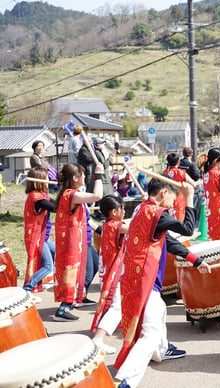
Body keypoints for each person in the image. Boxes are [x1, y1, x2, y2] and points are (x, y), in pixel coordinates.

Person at [113, 179, 211, 388]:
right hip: (144, 282)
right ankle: (126, 379)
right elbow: (186, 229)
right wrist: (190, 196)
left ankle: (163, 350)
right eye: (173, 199)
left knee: (159, 313)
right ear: (164, 193)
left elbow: (169, 242)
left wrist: (196, 260)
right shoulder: (157, 214)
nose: (174, 203)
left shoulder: (142, 210)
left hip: (136, 278)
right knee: (151, 333)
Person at [53, 162, 103, 321]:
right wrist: (99, 175)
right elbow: (97, 196)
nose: (85, 177)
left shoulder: (70, 194)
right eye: (82, 175)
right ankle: (63, 309)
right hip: (73, 242)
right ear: (75, 178)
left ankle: (80, 296)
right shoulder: (72, 195)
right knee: (72, 273)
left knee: (95, 263)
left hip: (78, 238)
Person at [92, 195, 128, 355]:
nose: (124, 211)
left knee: (116, 304)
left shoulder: (107, 225)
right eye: (122, 208)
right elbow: (136, 228)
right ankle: (98, 338)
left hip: (110, 270)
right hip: (114, 272)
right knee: (116, 307)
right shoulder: (115, 226)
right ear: (114, 212)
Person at [23, 168, 56, 300]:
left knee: (57, 253)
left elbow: (55, 202)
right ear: (39, 181)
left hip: (44, 237)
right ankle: (27, 288)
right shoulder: (36, 197)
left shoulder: (42, 195)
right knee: (48, 266)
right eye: (46, 178)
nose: (49, 181)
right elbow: (55, 207)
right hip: (36, 237)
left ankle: (44, 281)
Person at [164, 152, 196, 221]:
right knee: (179, 223)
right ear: (178, 162)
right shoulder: (181, 173)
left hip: (167, 201)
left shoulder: (164, 173)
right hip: (179, 200)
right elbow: (193, 184)